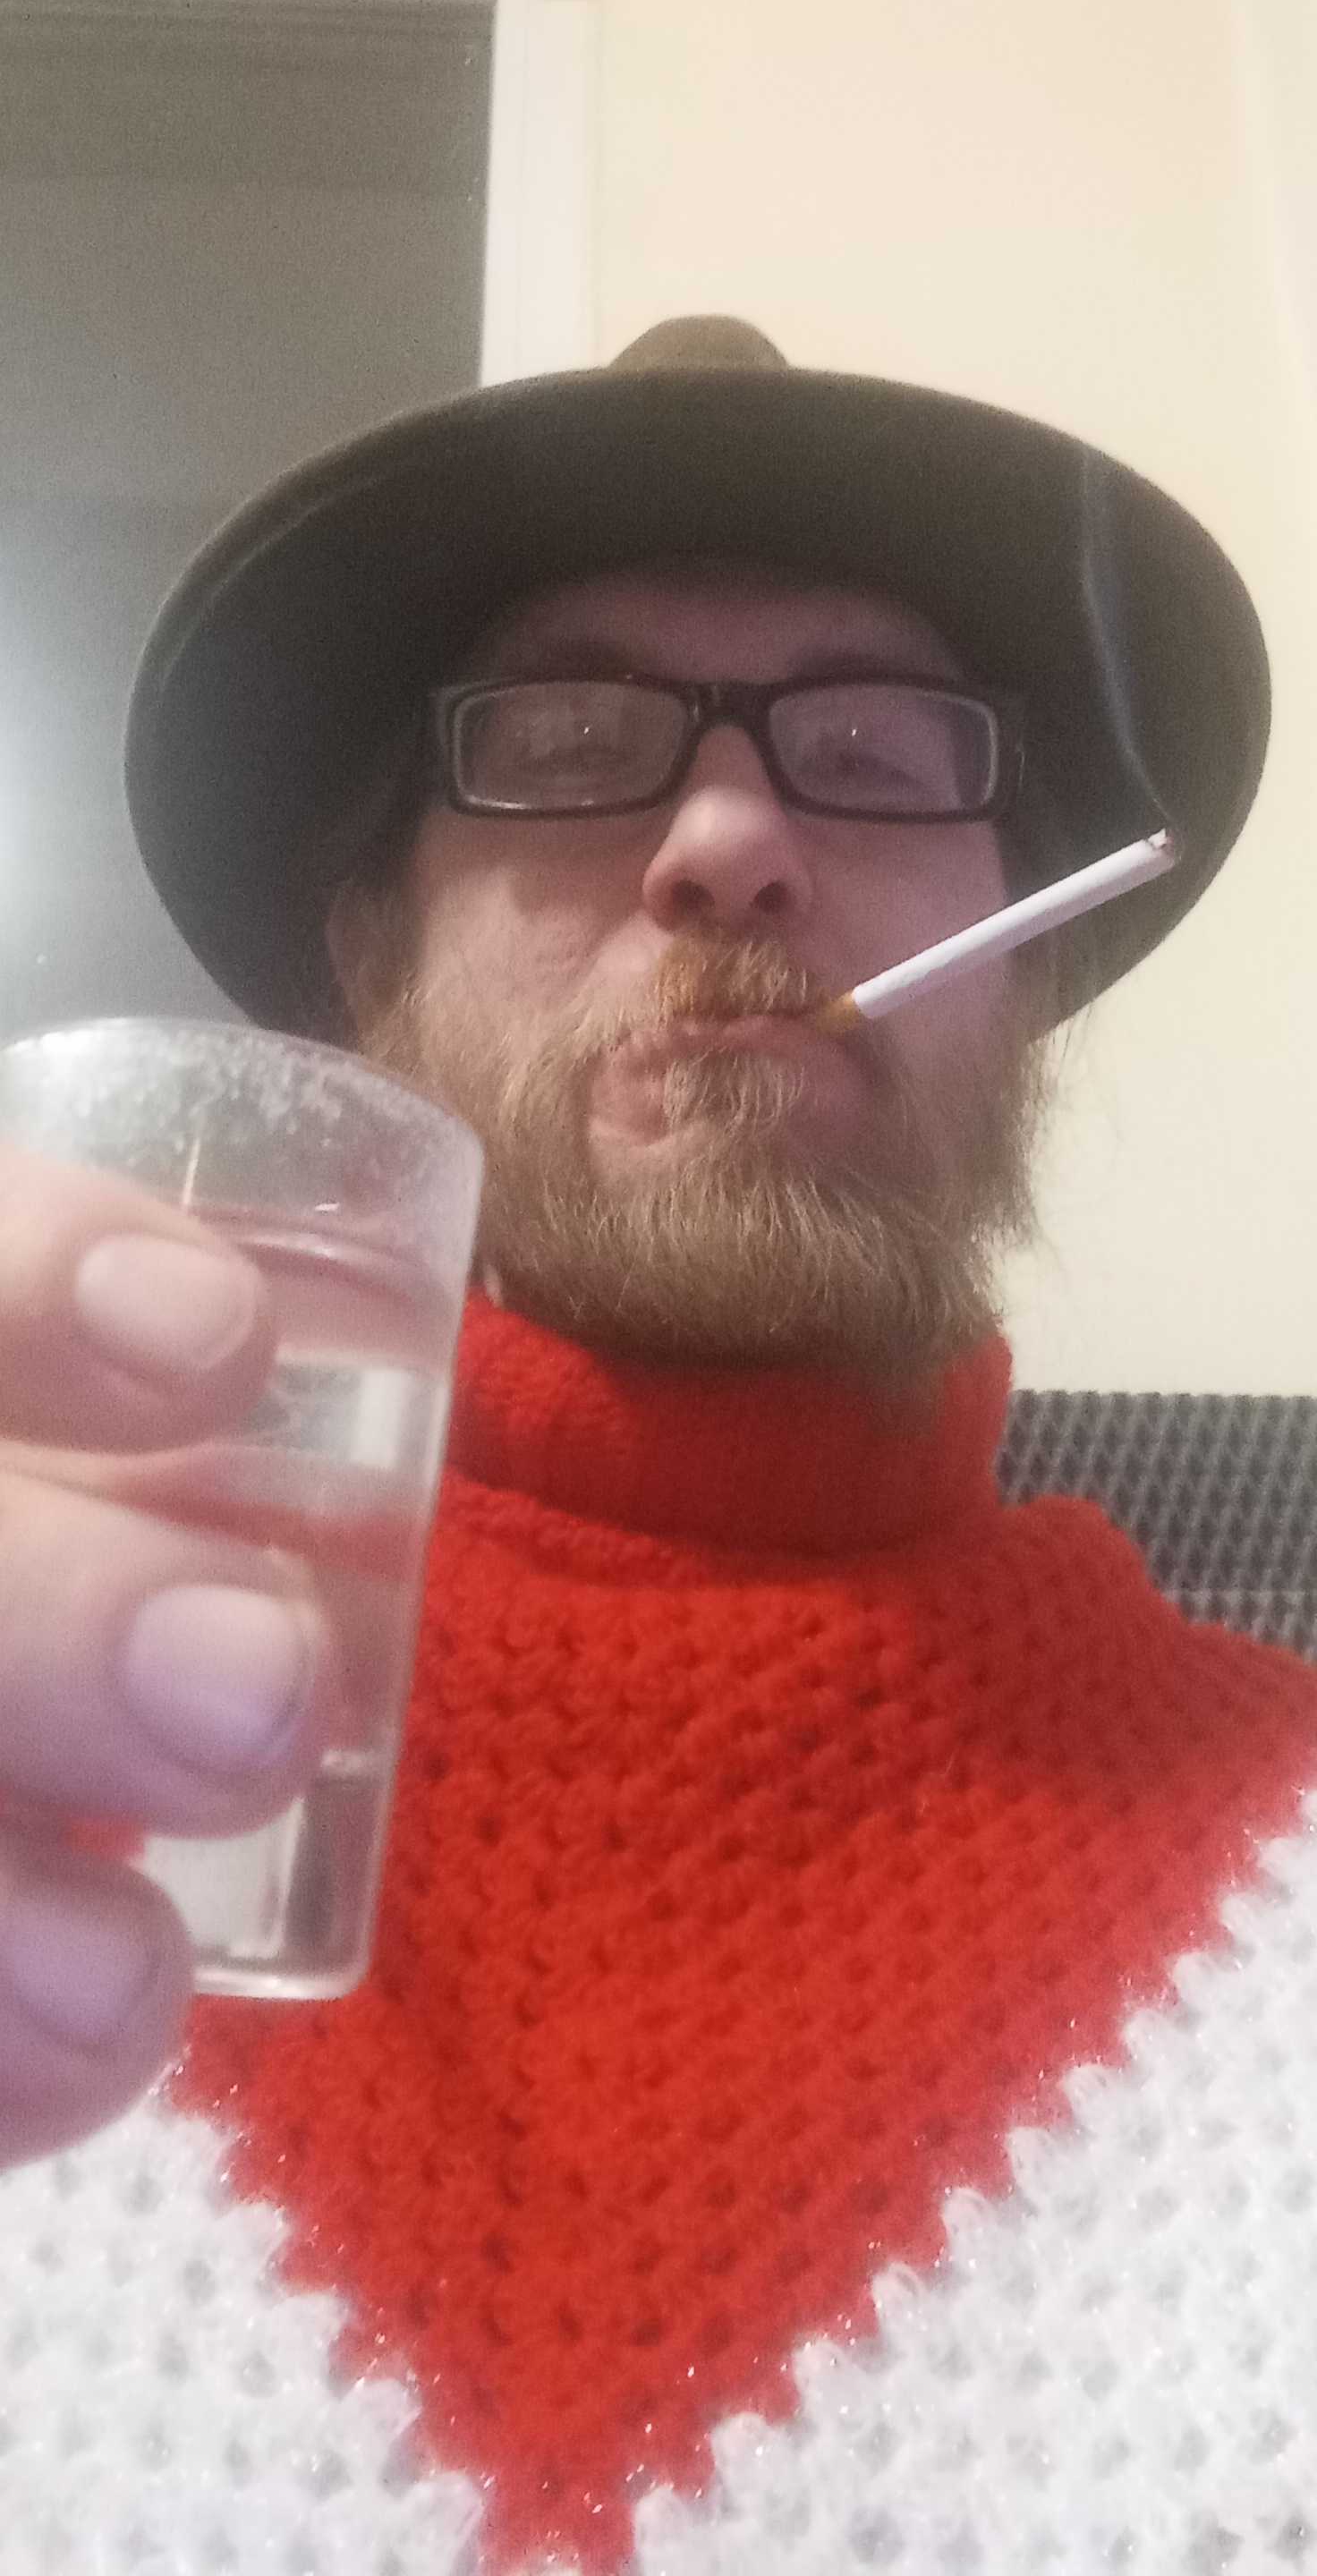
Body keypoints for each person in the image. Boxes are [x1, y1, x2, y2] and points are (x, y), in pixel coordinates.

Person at [2, 318, 1316, 2575]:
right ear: (365, 954)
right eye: (563, 745)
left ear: (1024, 976)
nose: (727, 845)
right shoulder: (65, 1771)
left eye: (877, 753)